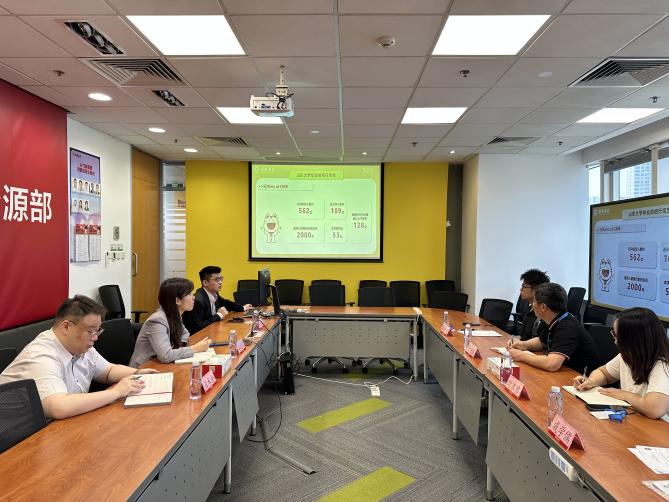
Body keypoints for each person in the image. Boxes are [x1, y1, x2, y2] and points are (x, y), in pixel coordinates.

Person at [0, 296, 157, 420]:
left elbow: (108, 371)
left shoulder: (81, 347)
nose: (95, 338)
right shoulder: (41, 356)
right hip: (17, 438)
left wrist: (137, 374)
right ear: (66, 327)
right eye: (90, 331)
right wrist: (116, 392)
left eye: (97, 331)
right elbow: (59, 407)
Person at [574, 308, 669, 420]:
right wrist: (591, 381)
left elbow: (654, 409)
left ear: (634, 340)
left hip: (658, 426)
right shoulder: (628, 355)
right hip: (634, 417)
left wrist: (625, 395)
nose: (615, 341)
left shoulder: (663, 364)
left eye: (617, 335)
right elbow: (603, 373)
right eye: (614, 334)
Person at [509, 282, 600, 374]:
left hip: (581, 377)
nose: (532, 305)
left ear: (543, 307)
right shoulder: (553, 318)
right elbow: (542, 342)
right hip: (565, 371)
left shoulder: (568, 327)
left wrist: (521, 355)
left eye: (534, 301)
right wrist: (522, 344)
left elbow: (552, 364)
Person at [130, 278, 210, 367]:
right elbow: (166, 355)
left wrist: (179, 347)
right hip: (144, 368)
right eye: (189, 294)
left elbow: (185, 333)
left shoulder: (175, 315)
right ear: (177, 301)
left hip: (160, 364)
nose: (193, 297)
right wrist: (194, 349)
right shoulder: (157, 321)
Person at [182, 266, 253, 335]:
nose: (220, 282)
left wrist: (243, 308)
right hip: (198, 337)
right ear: (205, 283)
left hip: (212, 331)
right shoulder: (198, 300)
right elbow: (197, 327)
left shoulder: (214, 293)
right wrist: (218, 315)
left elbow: (226, 303)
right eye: (217, 279)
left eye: (221, 278)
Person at [517, 269, 550, 341]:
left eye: (523, 286)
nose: (521, 289)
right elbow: (524, 337)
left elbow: (541, 343)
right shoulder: (530, 309)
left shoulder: (544, 315)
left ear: (536, 289)